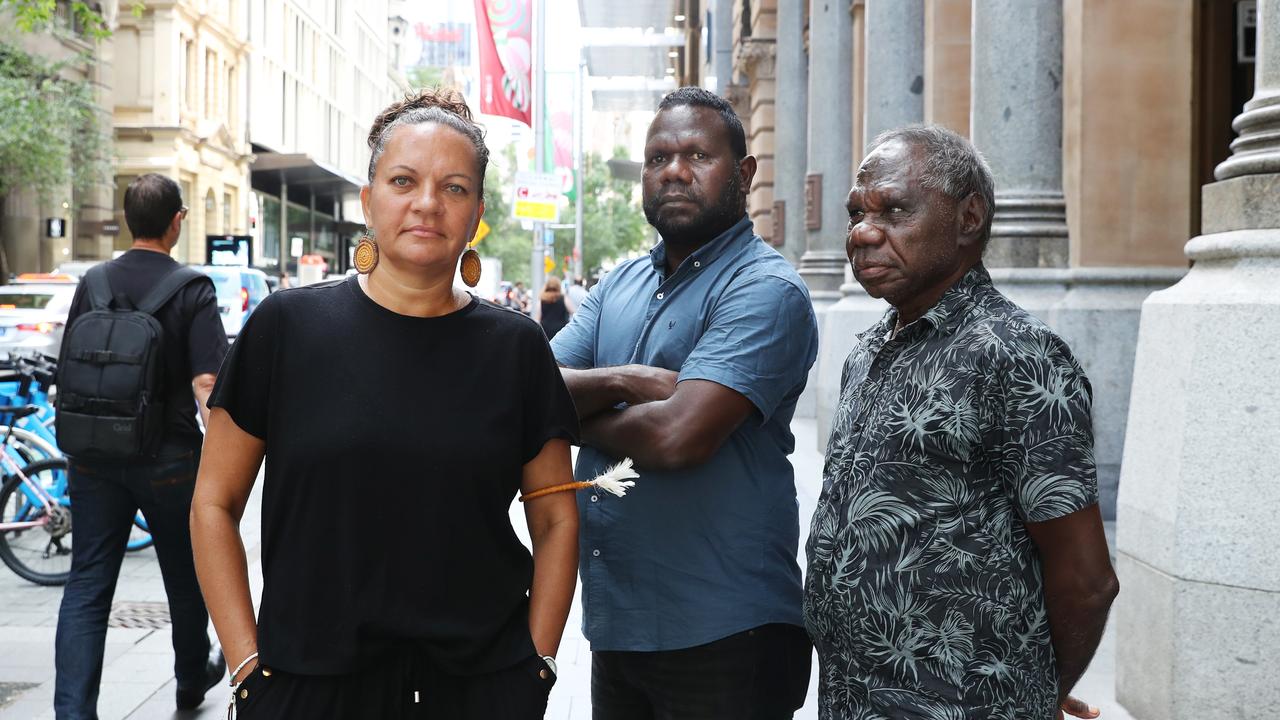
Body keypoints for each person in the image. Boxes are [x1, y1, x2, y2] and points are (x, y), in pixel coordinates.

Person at [190, 89, 580, 719]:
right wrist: (245, 669)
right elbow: (213, 503)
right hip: (308, 687)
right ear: (368, 201)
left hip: (480, 688)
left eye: (453, 188)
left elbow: (557, 520)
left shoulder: (517, 348)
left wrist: (537, 667)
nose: (427, 203)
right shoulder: (286, 328)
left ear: (476, 212)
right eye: (404, 181)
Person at [803, 124, 1119, 720]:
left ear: (968, 218)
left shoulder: (1017, 354)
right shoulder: (871, 347)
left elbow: (1087, 578)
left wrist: (1036, 692)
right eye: (855, 214)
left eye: (894, 210)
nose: (864, 234)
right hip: (854, 697)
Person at [551, 86, 818, 720]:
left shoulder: (766, 289)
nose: (673, 170)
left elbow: (678, 438)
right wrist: (628, 381)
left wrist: (577, 415)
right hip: (620, 626)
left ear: (745, 173)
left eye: (698, 154)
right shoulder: (621, 281)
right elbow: (531, 384)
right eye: (657, 158)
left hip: (727, 633)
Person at [53, 173, 229, 718]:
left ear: (130, 220)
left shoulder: (94, 281)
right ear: (177, 221)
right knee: (184, 574)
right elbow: (207, 384)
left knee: (87, 582)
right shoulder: (192, 287)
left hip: (95, 457)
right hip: (169, 459)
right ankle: (189, 680)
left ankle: (74, 711)